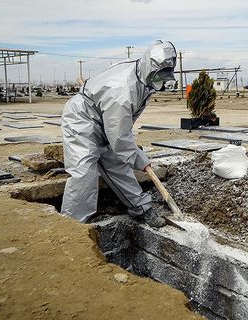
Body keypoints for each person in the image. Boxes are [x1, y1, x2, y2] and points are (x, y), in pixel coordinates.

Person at [60, 40, 177, 226]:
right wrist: (141, 160)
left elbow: (119, 134)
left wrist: (130, 154)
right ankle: (73, 226)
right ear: (150, 68)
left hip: (104, 117)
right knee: (84, 172)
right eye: (158, 76)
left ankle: (141, 208)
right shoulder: (122, 91)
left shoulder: (141, 76)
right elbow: (120, 139)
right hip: (82, 119)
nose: (160, 81)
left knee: (117, 164)